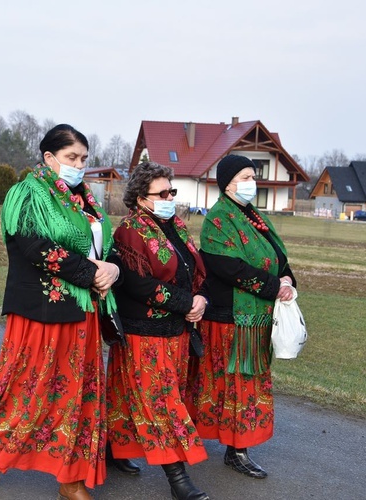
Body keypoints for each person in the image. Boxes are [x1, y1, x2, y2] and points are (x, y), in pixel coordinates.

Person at [0, 124, 120, 500]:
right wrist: (92, 273)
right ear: (49, 157)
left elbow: (105, 246)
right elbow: (35, 248)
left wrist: (113, 269)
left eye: (83, 159)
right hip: (42, 310)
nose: (78, 165)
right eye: (72, 158)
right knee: (31, 387)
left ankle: (70, 475)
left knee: (78, 394)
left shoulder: (86, 199)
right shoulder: (28, 193)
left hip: (84, 310)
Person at [187, 154, 296, 478]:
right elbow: (228, 267)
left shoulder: (254, 217)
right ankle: (227, 447)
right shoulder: (218, 220)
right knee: (229, 386)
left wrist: (287, 278)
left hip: (256, 319)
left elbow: (278, 256)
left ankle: (238, 448)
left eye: (253, 176)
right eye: (246, 177)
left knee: (247, 386)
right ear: (229, 182)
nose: (253, 183)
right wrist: (274, 287)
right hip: (229, 319)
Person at [107, 161, 209, 500]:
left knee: (127, 395)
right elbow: (136, 283)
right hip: (144, 330)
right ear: (140, 198)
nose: (169, 197)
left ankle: (113, 452)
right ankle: (177, 478)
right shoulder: (129, 231)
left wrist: (199, 301)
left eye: (172, 191)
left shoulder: (174, 226)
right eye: (161, 193)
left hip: (176, 330)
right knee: (161, 402)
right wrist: (185, 302)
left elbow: (193, 270)